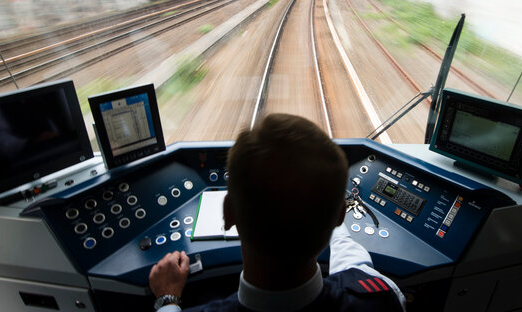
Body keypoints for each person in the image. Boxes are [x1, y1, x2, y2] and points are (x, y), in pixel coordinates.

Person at [149, 114, 406, 311]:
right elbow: (353, 262)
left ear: (228, 213)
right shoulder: (383, 299)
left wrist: (167, 298)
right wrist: (324, 208)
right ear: (340, 216)